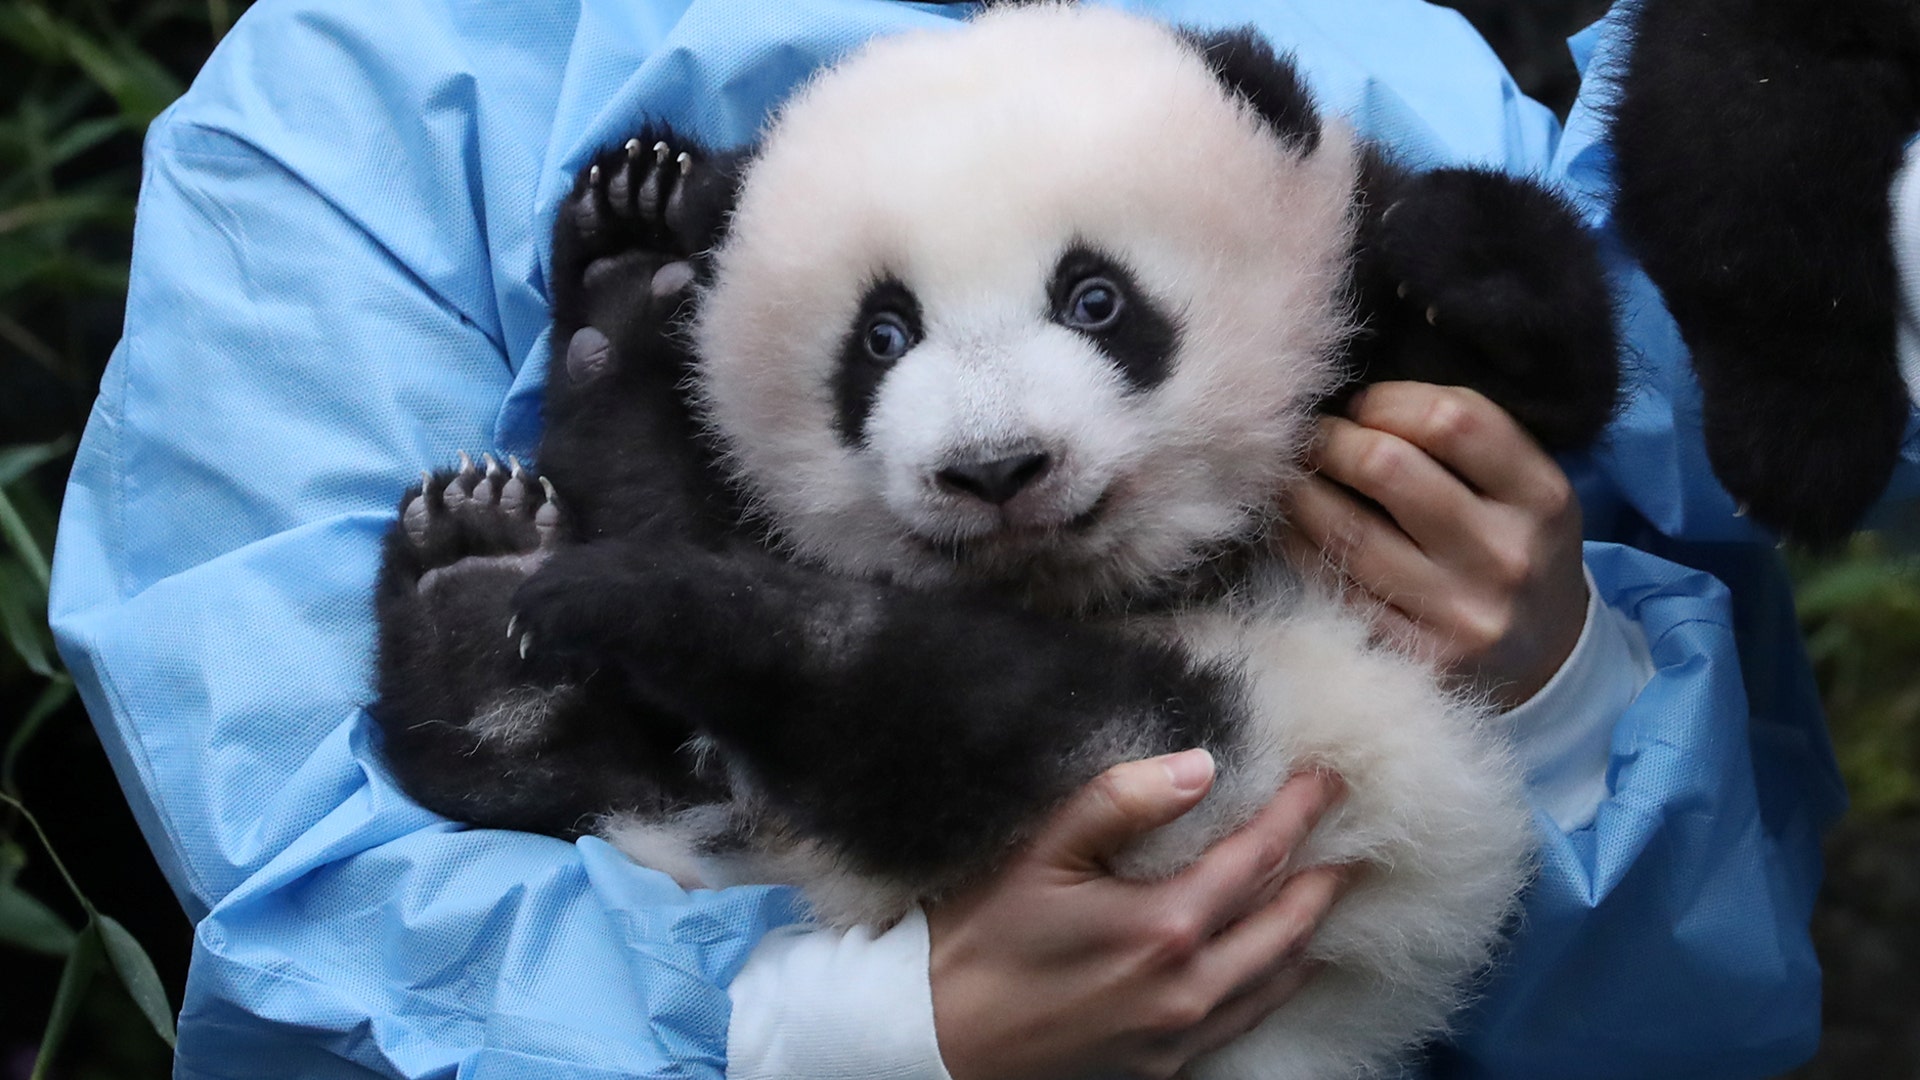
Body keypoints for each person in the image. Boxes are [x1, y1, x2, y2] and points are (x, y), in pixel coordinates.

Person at [48, 0, 1878, 1076]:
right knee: (694, 651)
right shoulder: (377, 81)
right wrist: (837, 1031)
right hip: (729, 866)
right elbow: (280, 804)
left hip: (1311, 877)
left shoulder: (1368, 72)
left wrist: (1554, 684)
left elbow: (1672, 1004)